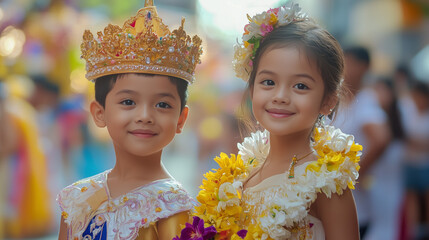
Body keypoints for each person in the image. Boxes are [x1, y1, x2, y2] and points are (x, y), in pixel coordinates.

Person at [175, 3, 360, 240]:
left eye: (300, 86)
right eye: (268, 82)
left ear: (328, 102)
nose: (280, 96)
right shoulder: (242, 174)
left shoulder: (327, 183)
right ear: (252, 91)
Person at [56, 0, 203, 239]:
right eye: (128, 102)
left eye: (162, 105)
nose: (145, 116)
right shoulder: (77, 197)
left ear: (181, 119)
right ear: (99, 113)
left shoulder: (175, 208)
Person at [333, 46, 391, 239]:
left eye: (350, 62)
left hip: (357, 202)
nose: (345, 67)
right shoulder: (344, 98)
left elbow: (381, 139)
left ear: (364, 67)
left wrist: (355, 174)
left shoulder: (366, 100)